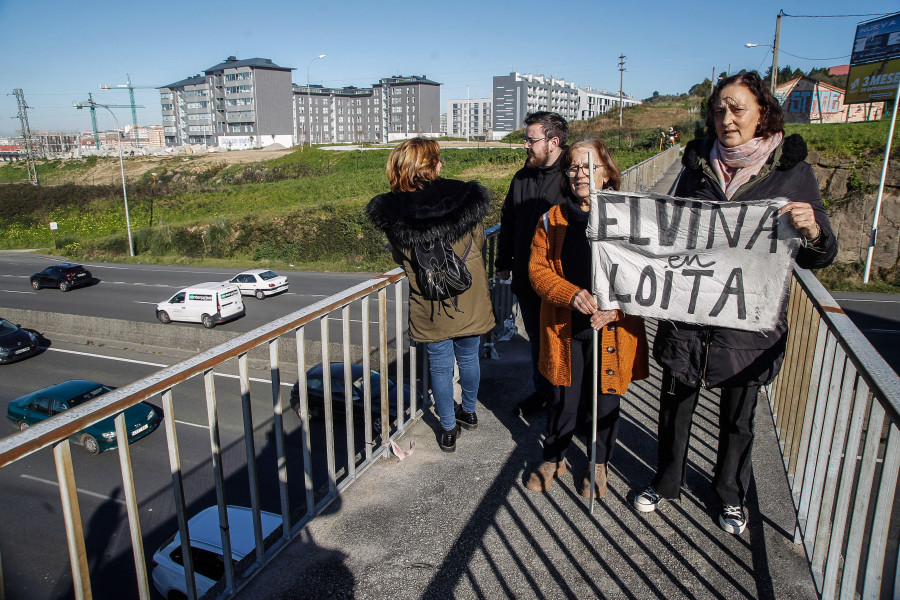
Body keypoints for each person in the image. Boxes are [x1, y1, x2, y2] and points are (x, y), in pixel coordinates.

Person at [633, 72, 838, 534]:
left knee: (739, 420)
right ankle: (665, 482)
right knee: (674, 406)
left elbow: (821, 255)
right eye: (720, 109)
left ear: (762, 111)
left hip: (748, 325)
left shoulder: (792, 171)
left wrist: (813, 229)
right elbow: (672, 232)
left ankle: (729, 495)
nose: (727, 119)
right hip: (688, 316)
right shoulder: (696, 165)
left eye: (738, 108)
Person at [525, 139, 649, 496]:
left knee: (606, 397)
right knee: (564, 395)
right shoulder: (552, 218)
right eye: (574, 167)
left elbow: (647, 274)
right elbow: (537, 270)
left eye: (589, 166)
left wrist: (618, 307)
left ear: (607, 173)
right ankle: (555, 456)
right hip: (566, 325)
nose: (580, 174)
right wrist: (571, 293)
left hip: (612, 326)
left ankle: (598, 462)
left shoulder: (631, 218)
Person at [366, 138, 495, 453]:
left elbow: (401, 256)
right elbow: (477, 242)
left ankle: (448, 430)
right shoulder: (464, 196)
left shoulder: (393, 209)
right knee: (468, 356)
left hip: (430, 297)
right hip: (470, 290)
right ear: (430, 164)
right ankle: (469, 411)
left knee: (439, 365)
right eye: (438, 159)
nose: (442, 163)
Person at [495, 111, 569, 417]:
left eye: (531, 139)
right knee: (538, 341)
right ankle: (544, 394)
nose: (526, 145)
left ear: (553, 142)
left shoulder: (573, 175)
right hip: (528, 277)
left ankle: (570, 401)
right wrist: (503, 262)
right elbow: (508, 221)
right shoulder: (522, 177)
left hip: (565, 279)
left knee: (566, 341)